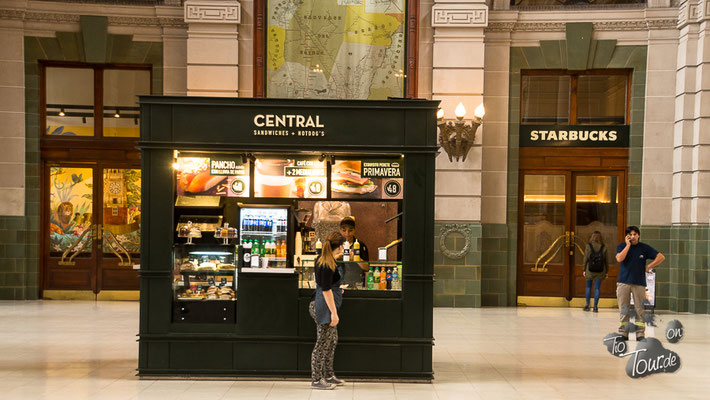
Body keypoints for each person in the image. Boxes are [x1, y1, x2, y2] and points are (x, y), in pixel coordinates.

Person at [310, 231, 347, 390]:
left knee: (331, 341)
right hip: (323, 307)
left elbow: (330, 285)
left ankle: (329, 375)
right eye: (343, 246)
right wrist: (333, 312)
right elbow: (325, 290)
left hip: (326, 304)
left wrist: (338, 289)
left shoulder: (327, 260)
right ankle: (317, 379)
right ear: (338, 247)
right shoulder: (325, 264)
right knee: (322, 343)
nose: (344, 248)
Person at [615, 226, 665, 341]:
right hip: (623, 282)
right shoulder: (622, 246)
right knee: (624, 308)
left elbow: (661, 257)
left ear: (638, 235)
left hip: (639, 283)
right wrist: (627, 245)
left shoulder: (644, 248)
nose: (632, 237)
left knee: (640, 309)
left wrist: (649, 266)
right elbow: (619, 259)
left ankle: (640, 333)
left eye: (635, 234)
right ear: (627, 236)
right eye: (630, 235)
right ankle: (624, 332)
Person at [582, 231, 608, 312]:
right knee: (597, 288)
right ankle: (595, 307)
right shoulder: (604, 247)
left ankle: (587, 305)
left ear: (592, 237)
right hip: (600, 270)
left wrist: (583, 269)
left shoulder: (588, 246)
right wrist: (606, 271)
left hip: (589, 269)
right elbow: (606, 260)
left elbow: (585, 258)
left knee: (588, 287)